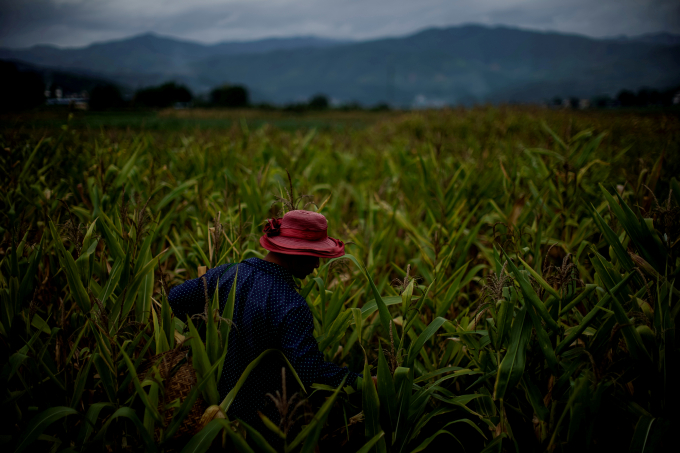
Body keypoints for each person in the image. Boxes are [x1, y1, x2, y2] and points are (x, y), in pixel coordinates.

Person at [168, 209, 361, 437]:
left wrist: (205, 335)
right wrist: (362, 382)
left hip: (214, 415)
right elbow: (310, 373)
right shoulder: (291, 305)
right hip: (264, 426)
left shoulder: (227, 273)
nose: (318, 265)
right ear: (295, 252)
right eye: (314, 254)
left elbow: (175, 299)